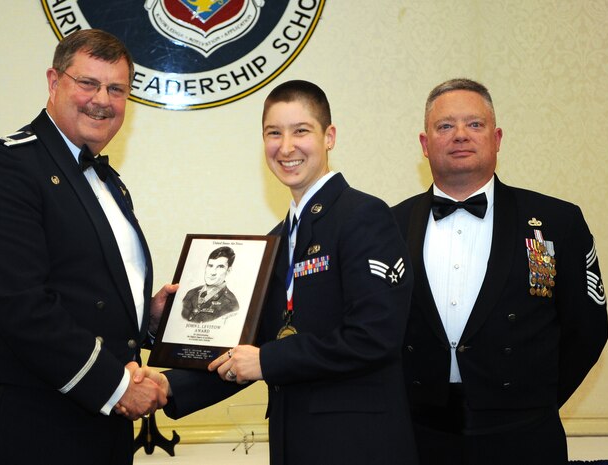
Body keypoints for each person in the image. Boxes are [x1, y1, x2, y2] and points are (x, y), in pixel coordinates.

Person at [137, 80, 418, 464]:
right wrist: (169, 385)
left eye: (301, 131)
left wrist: (267, 361)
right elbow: (242, 349)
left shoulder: (363, 217)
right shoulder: (274, 241)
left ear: (329, 136)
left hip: (358, 443)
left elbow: (374, 336)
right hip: (293, 442)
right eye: (274, 133)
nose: (286, 147)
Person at [0, 29, 172, 465]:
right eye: (87, 83)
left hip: (97, 421)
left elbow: (83, 294)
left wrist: (147, 319)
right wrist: (117, 385)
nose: (102, 100)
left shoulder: (110, 185)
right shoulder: (5, 167)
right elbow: (23, 306)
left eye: (116, 89)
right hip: (26, 424)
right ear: (54, 83)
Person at [391, 78, 608, 465]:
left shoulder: (559, 221)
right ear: (425, 145)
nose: (460, 135)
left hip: (523, 436)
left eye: (474, 124)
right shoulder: (387, 226)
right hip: (418, 437)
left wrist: (532, 403)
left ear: (497, 137)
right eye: (445, 126)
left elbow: (588, 329)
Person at [181, 246, 240, 323]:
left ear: (228, 270)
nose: (212, 272)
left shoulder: (231, 303)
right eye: (210, 265)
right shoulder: (191, 293)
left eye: (220, 267)